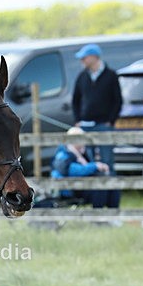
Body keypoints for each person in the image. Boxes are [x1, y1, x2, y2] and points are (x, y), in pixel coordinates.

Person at [72, 43, 122, 209]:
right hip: (85, 125)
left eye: (84, 57)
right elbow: (76, 100)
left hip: (103, 124)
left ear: (94, 57)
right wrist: (78, 119)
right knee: (91, 164)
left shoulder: (111, 75)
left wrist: (111, 120)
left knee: (108, 162)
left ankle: (112, 204)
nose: (82, 60)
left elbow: (117, 100)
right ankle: (97, 204)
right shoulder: (82, 76)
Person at [50, 126, 110, 207]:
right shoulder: (62, 153)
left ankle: (113, 216)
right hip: (69, 188)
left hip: (84, 185)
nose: (83, 141)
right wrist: (95, 166)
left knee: (111, 185)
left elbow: (88, 167)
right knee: (98, 188)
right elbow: (71, 171)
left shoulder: (84, 151)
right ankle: (98, 218)